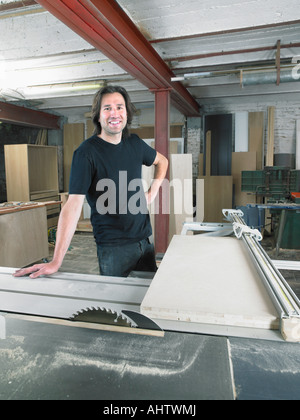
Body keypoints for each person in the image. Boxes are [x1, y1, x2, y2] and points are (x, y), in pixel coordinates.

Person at [14, 85, 168, 279]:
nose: (115, 113)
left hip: (144, 241)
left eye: (119, 107)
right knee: (114, 305)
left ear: (127, 113)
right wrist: (56, 260)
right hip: (113, 249)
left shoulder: (134, 143)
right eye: (107, 108)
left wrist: (152, 193)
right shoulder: (86, 153)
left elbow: (162, 161)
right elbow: (73, 204)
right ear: (98, 115)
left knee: (145, 300)